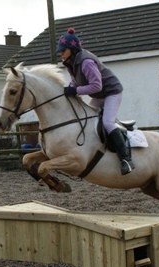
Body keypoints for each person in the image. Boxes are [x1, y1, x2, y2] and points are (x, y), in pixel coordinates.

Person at [57, 27, 134, 175]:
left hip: (111, 92)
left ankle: (126, 159)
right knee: (87, 119)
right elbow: (75, 81)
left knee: (107, 122)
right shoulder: (71, 62)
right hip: (98, 95)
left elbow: (96, 85)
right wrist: (70, 89)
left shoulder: (86, 62)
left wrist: (76, 91)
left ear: (71, 49)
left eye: (63, 50)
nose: (60, 53)